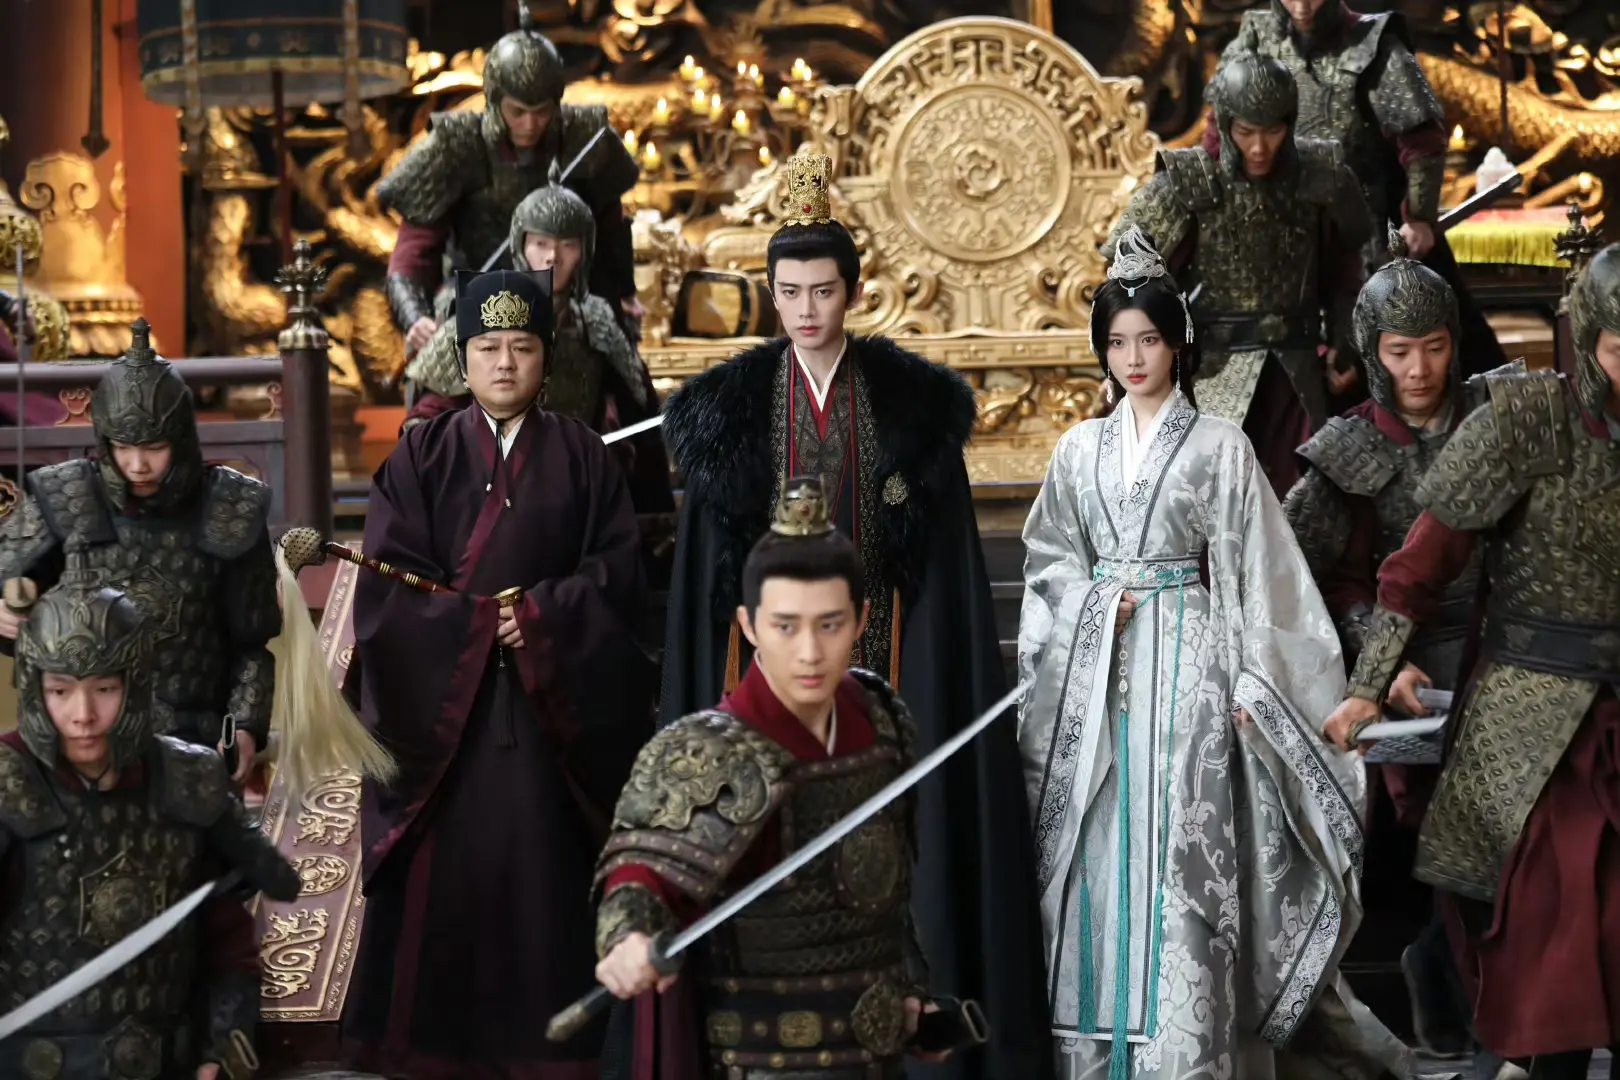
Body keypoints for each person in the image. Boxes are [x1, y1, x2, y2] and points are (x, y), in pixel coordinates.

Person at [657, 151, 1050, 1080]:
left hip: (888, 670)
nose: (807, 311)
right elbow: (711, 578)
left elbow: (945, 577)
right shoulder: (730, 414)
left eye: (824, 291)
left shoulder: (913, 411)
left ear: (854, 292)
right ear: (771, 294)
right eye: (791, 292)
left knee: (889, 857)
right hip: (766, 678)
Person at [1017, 227, 1409, 1079]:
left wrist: (1254, 682)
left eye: (1149, 340)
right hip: (1099, 674)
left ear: (1179, 344)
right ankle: (1099, 1047)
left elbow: (1260, 571)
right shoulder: (1077, 450)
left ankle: (1184, 1048)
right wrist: (1092, 604)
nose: (1133, 358)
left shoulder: (1220, 445)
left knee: (1183, 856)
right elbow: (1050, 561)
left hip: (1191, 669)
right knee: (1098, 847)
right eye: (1118, 342)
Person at [342, 267, 655, 1077]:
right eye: (487, 348)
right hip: (449, 723)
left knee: (548, 882)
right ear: (463, 356)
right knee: (443, 888)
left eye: (522, 346)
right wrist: (476, 625)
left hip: (554, 717)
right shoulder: (421, 454)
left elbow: (618, 574)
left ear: (546, 356)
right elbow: (388, 588)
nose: (505, 363)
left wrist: (542, 618)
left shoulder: (584, 456)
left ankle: (558, 1056)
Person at [1321, 244, 1620, 1079]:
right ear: (1590, 340)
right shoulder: (1523, 421)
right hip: (1535, 716)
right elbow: (1416, 567)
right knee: (1554, 935)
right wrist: (1368, 685)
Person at [594, 476, 951, 1079]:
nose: (809, 652)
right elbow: (640, 878)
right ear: (749, 624)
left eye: (829, 624)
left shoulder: (883, 722)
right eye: (786, 626)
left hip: (871, 1057)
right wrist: (628, 940)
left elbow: (883, 895)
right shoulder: (706, 749)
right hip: (756, 1059)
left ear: (861, 620)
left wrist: (910, 997)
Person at [1282, 229, 1513, 1059]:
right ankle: (1447, 985)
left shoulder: (1497, 420)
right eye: (1401, 351)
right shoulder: (1348, 448)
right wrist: (1381, 662)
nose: (1420, 370)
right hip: (1402, 663)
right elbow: (1309, 576)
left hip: (1505, 647)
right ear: (1373, 353)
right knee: (1450, 835)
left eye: (1436, 347)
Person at [0, 560, 300, 1079]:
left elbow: (227, 946)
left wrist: (222, 1052)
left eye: (104, 689)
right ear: (36, 689)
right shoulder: (8, 782)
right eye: (60, 691)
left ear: (134, 684)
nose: (82, 715)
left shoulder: (188, 780)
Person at [0, 318, 279, 784]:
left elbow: (252, 646)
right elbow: (9, 585)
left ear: (181, 438)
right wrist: (7, 614)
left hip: (193, 734)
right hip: (80, 740)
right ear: (104, 440)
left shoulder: (231, 507)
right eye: (123, 448)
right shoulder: (64, 495)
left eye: (154, 447)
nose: (138, 465)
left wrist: (246, 728)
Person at [1105, 51, 1371, 497]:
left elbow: (1348, 272)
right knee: (1207, 495)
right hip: (1211, 369)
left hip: (1299, 369)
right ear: (1226, 123)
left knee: (1304, 498)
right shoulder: (1189, 180)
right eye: (1246, 132)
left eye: (1272, 130)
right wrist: (1139, 356)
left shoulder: (1321, 175)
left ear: (1290, 122)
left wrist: (1346, 342)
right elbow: (1127, 277)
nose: (1259, 147)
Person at [1219, 0, 1508, 377]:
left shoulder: (1373, 43)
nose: (1302, 7)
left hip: (1364, 234)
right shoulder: (1254, 39)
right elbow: (1218, 131)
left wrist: (1419, 217)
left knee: (1401, 351)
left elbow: (1422, 138)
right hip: (1277, 231)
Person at [379, 2, 641, 372]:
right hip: (476, 307)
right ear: (495, 99)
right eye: (518, 112)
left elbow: (611, 225)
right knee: (442, 397)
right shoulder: (456, 145)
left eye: (542, 111)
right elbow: (413, 250)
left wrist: (625, 293)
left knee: (626, 385)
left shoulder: (584, 136)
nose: (531, 125)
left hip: (570, 307)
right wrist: (415, 317)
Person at [400, 183, 674, 518]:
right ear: (521, 244)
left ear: (585, 249)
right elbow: (430, 416)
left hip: (576, 490)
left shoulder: (596, 320)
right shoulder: (487, 310)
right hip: (488, 491)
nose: (553, 257)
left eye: (567, 244)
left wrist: (652, 512)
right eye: (541, 243)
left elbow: (639, 414)